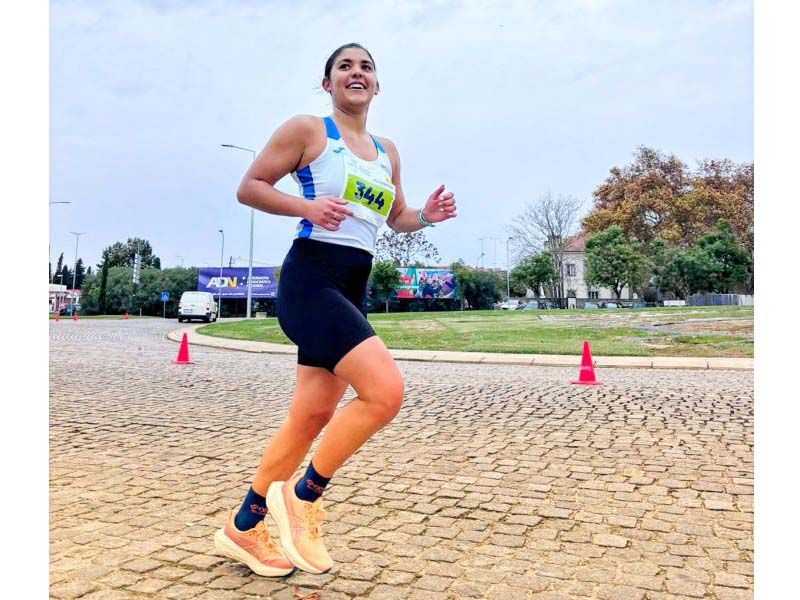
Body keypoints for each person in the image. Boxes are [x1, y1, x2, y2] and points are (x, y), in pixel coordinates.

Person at [213, 42, 457, 577]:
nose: (356, 73)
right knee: (385, 393)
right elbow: (249, 187)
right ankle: (303, 496)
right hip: (311, 280)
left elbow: (396, 218)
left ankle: (243, 527)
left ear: (377, 85)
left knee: (311, 415)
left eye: (366, 67)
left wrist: (428, 216)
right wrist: (305, 206)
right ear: (328, 84)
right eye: (344, 66)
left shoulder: (387, 150)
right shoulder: (308, 131)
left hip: (354, 284)